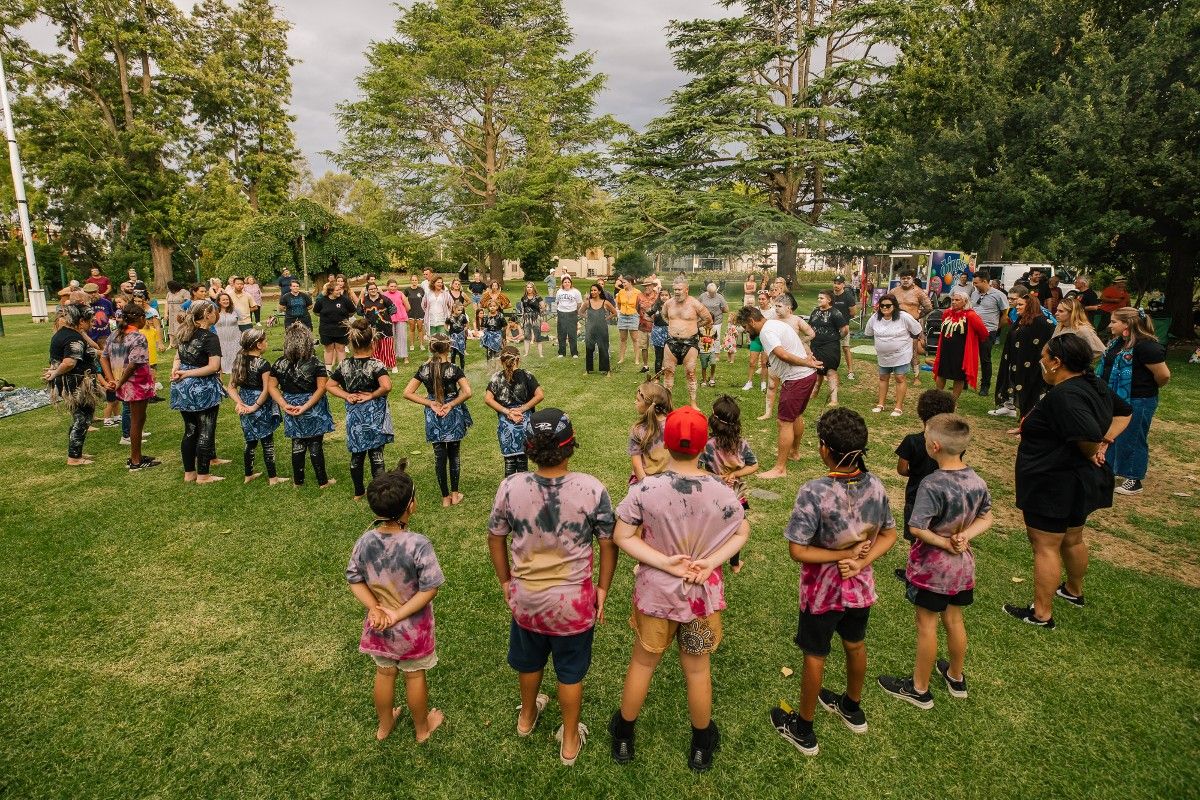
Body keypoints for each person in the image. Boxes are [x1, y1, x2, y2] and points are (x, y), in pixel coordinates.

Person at [610, 407, 750, 772]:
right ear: (705, 443)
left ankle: (624, 734)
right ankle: (701, 742)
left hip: (656, 595)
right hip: (702, 598)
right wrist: (711, 561)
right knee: (697, 669)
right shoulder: (723, 491)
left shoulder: (646, 489)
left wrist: (663, 562)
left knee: (643, 662)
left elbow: (621, 535)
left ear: (664, 441)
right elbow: (742, 531)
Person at [487, 408, 617, 766]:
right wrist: (602, 590)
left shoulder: (511, 486)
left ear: (528, 447)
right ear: (570, 446)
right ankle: (570, 740)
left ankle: (526, 718)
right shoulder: (592, 489)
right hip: (574, 604)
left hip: (526, 600)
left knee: (529, 663)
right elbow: (608, 542)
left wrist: (506, 582)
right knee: (570, 672)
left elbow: (495, 538)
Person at [771, 408, 897, 756]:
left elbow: (798, 550)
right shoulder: (875, 486)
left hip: (821, 593)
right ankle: (852, 708)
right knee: (855, 644)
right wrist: (861, 561)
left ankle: (804, 729)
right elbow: (889, 534)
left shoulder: (814, 492)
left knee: (815, 653)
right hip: (859, 587)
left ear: (824, 448)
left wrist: (841, 557)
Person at [1004, 333, 1132, 628]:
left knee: (1045, 545)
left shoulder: (1065, 395)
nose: (1040, 362)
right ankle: (1073, 590)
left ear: (1056, 362)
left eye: (1044, 357)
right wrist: (1106, 441)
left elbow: (1086, 433)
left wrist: (1093, 447)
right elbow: (1125, 411)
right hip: (1078, 480)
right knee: (1073, 538)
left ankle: (1041, 613)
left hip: (1054, 480)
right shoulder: (1093, 384)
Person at [877, 413, 993, 709]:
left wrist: (945, 541)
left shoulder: (932, 484)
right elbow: (987, 517)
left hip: (933, 569)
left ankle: (919, 688)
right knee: (954, 619)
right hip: (962, 567)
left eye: (927, 437)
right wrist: (964, 537)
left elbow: (917, 527)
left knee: (926, 624)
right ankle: (955, 676)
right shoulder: (976, 480)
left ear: (935, 447)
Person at [346, 460, 446, 743]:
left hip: (379, 626)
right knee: (414, 676)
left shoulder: (365, 541)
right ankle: (422, 729)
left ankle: (384, 725)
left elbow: (354, 578)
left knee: (384, 673)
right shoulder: (418, 544)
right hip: (413, 629)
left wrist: (374, 608)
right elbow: (430, 588)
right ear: (411, 505)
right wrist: (399, 613)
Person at [735, 305, 821, 480]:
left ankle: (780, 468)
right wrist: (808, 358)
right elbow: (795, 343)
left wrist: (807, 362)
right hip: (806, 377)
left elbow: (782, 354)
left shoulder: (767, 332)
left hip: (797, 378)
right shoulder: (777, 324)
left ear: (751, 321)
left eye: (745, 327)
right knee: (796, 415)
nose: (746, 330)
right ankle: (794, 453)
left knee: (784, 422)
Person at [1099, 307, 1170, 496]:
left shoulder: (1147, 347)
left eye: (1114, 321)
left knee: (1133, 436)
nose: (1109, 325)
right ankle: (1110, 470)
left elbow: (1163, 375)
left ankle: (1134, 477)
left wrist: (1145, 388)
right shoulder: (1117, 343)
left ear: (1127, 324)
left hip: (1139, 399)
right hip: (1115, 398)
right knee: (1112, 433)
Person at [894, 389, 958, 581]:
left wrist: (915, 473)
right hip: (944, 495)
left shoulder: (912, 441)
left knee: (917, 536)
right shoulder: (953, 443)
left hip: (917, 495)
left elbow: (902, 469)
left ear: (921, 412)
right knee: (938, 531)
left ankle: (915, 570)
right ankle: (936, 568)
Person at [402, 334, 473, 507]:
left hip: (433, 414)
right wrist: (451, 404)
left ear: (432, 348)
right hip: (451, 413)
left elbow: (407, 392)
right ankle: (455, 495)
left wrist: (430, 403)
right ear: (448, 348)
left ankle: (445, 498)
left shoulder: (424, 369)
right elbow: (467, 392)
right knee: (454, 454)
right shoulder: (454, 369)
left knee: (439, 455)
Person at [327, 320, 395, 499]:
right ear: (372, 343)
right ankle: (379, 493)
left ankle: (358, 492)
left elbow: (330, 385)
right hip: (374, 414)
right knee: (376, 454)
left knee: (357, 455)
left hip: (354, 415)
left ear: (352, 343)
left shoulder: (344, 365)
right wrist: (372, 395)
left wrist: (346, 395)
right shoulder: (376, 365)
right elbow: (387, 386)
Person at [268, 322, 337, 489]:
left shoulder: (279, 363)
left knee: (297, 443)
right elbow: (321, 387)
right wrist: (306, 406)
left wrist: (284, 404)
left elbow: (271, 386)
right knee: (315, 443)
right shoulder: (315, 362)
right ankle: (323, 481)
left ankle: (298, 481)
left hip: (291, 404)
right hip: (313, 405)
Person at [698, 395, 759, 573]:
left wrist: (716, 477)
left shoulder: (707, 445)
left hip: (711, 495)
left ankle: (707, 557)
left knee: (709, 526)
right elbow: (754, 465)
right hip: (736, 495)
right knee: (737, 528)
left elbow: (697, 469)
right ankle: (735, 563)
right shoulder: (741, 444)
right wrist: (736, 473)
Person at [170, 301, 227, 484]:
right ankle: (203, 475)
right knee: (205, 429)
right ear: (207, 315)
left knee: (190, 429)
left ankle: (189, 473)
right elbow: (214, 366)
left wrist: (177, 370)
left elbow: (177, 356)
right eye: (214, 312)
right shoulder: (209, 337)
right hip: (202, 387)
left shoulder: (184, 332)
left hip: (183, 387)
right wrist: (186, 372)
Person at [45, 304, 106, 466]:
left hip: (71, 382)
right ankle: (74, 457)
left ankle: (76, 452)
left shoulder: (65, 334)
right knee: (82, 419)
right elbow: (69, 362)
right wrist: (56, 372)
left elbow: (90, 350)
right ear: (80, 321)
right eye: (90, 321)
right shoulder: (73, 338)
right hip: (76, 383)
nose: (92, 323)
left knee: (80, 418)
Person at [101, 303, 159, 471]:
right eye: (144, 318)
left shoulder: (114, 335)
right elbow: (134, 364)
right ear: (140, 319)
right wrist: (119, 381)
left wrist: (113, 380)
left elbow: (103, 358)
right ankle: (136, 460)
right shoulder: (138, 337)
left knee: (136, 419)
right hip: (136, 384)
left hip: (122, 383)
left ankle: (137, 456)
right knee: (137, 421)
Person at [225, 328, 286, 485]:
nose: (267, 343)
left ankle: (248, 475)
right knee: (267, 441)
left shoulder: (239, 360)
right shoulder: (263, 364)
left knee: (250, 440)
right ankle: (273, 478)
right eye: (265, 341)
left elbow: (231, 387)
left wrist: (240, 403)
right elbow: (267, 389)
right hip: (260, 404)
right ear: (258, 345)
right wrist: (255, 406)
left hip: (245, 402)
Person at [484, 347, 545, 476]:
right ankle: (522, 492)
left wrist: (507, 411)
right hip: (524, 422)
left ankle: (509, 493)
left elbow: (488, 399)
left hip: (506, 423)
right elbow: (540, 395)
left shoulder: (496, 377)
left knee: (509, 462)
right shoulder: (527, 375)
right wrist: (522, 408)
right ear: (518, 360)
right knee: (523, 462)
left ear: (502, 361)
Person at [1005, 291, 1056, 430]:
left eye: (1021, 304)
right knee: (1023, 395)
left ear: (1030, 306)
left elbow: (1051, 342)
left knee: (1032, 395)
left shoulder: (1043, 322)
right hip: (1019, 364)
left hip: (1034, 367)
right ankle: (1024, 423)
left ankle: (1028, 426)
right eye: (1017, 304)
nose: (1017, 307)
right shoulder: (1020, 320)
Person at [864, 294, 921, 416]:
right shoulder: (875, 318)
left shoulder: (904, 317)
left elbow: (917, 330)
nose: (885, 308)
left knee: (899, 377)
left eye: (888, 305)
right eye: (882, 305)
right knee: (883, 377)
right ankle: (880, 404)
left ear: (894, 306)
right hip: (883, 356)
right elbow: (868, 332)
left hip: (901, 354)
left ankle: (898, 406)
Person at [661, 277, 713, 408]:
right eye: (675, 289)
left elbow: (708, 318)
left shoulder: (695, 304)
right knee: (668, 372)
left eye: (680, 289)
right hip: (671, 342)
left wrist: (695, 325)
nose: (677, 292)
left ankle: (693, 403)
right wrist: (673, 325)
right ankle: (668, 403)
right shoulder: (668, 303)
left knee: (690, 373)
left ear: (686, 290)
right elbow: (664, 315)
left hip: (689, 344)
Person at [931, 290, 989, 407]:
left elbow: (983, 332)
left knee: (959, 376)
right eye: (953, 299)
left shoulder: (971, 315)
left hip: (962, 352)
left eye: (957, 300)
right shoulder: (947, 313)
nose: (953, 302)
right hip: (945, 349)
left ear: (965, 302)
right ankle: (939, 397)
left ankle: (953, 401)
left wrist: (973, 342)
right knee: (941, 373)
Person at [968, 273, 1010, 396]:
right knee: (968, 356)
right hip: (972, 330)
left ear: (985, 281)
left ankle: (985, 386)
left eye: (976, 283)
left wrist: (996, 329)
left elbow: (1005, 315)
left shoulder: (998, 295)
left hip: (988, 331)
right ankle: (964, 381)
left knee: (985, 358)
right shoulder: (975, 293)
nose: (974, 285)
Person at [808, 290, 849, 406]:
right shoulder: (815, 312)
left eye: (822, 298)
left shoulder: (835, 313)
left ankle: (834, 399)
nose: (819, 300)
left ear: (829, 300)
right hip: (815, 345)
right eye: (818, 298)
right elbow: (810, 327)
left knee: (830, 371)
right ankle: (813, 393)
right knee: (817, 371)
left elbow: (845, 329)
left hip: (830, 346)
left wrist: (835, 338)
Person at [627, 380, 672, 484]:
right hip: (670, 483)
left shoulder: (638, 430)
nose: (635, 402)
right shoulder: (674, 424)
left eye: (637, 400)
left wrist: (646, 488)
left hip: (646, 483)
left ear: (648, 405)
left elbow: (637, 465)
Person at [892, 269, 933, 381]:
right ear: (900, 279)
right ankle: (897, 372)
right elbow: (886, 304)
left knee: (913, 351)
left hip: (912, 326)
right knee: (895, 349)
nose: (905, 280)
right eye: (903, 278)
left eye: (908, 278)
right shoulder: (894, 291)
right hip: (896, 325)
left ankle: (916, 377)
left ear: (913, 279)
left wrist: (916, 316)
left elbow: (929, 307)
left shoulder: (919, 292)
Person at [313, 280, 355, 368]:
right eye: (337, 290)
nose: (339, 291)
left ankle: (342, 370)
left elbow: (352, 311)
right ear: (331, 291)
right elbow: (316, 312)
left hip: (342, 329)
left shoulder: (345, 300)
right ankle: (328, 371)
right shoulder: (321, 300)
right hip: (326, 330)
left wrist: (343, 318)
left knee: (341, 349)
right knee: (329, 349)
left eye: (340, 289)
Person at [359, 281, 398, 373]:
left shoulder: (384, 299)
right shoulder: (363, 300)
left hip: (385, 327)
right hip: (371, 328)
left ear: (377, 289)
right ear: (367, 290)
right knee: (374, 348)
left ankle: (392, 365)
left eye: (374, 288)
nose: (373, 290)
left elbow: (393, 310)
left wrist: (384, 314)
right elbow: (359, 311)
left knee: (387, 347)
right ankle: (376, 367)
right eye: (370, 289)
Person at [1052, 296, 1105, 361]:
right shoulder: (1060, 325)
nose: (1056, 313)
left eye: (1061, 311)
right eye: (1057, 310)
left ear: (1072, 313)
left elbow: (1100, 351)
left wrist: (1078, 362)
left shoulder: (1083, 330)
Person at [742, 291, 776, 392]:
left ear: (768, 300)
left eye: (763, 299)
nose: (761, 301)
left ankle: (763, 383)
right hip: (756, 338)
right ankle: (749, 382)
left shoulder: (773, 312)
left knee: (764, 363)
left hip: (767, 339)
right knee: (752, 362)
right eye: (759, 299)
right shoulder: (755, 310)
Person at [828, 275, 859, 380]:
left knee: (845, 348)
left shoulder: (848, 296)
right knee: (830, 349)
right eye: (835, 283)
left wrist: (843, 321)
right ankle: (828, 370)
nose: (836, 285)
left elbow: (853, 312)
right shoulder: (830, 296)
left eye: (839, 283)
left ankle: (850, 371)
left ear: (843, 285)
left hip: (843, 327)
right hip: (830, 327)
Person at [583, 285, 617, 375]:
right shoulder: (587, 302)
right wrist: (587, 317)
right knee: (589, 348)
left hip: (602, 329)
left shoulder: (605, 303)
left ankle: (607, 370)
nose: (593, 292)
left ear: (599, 291)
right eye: (591, 290)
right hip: (590, 329)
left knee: (604, 349)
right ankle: (588, 370)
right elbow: (580, 312)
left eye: (595, 290)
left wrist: (606, 319)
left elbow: (615, 313)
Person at [555, 276, 583, 358]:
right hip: (561, 313)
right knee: (561, 334)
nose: (567, 284)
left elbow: (579, 303)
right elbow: (557, 302)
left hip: (572, 313)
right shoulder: (559, 292)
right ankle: (561, 353)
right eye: (565, 282)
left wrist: (575, 310)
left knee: (572, 334)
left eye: (568, 282)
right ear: (562, 284)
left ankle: (574, 353)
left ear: (571, 283)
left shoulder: (576, 292)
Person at [213, 293, 241, 374]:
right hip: (220, 337)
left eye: (227, 299)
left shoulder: (235, 311)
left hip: (234, 337)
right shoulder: (215, 312)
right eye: (223, 300)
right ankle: (221, 368)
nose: (226, 301)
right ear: (219, 301)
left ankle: (234, 367)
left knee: (234, 352)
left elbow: (242, 322)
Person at [636, 279, 658, 373]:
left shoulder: (658, 296)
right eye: (645, 286)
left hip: (655, 326)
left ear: (653, 286)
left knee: (657, 347)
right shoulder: (639, 296)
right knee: (644, 346)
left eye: (649, 285)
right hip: (643, 326)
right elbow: (637, 308)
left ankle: (659, 365)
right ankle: (645, 366)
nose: (647, 287)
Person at [518, 283, 546, 358]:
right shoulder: (523, 298)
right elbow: (523, 309)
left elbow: (543, 307)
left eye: (531, 287)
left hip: (536, 317)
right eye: (528, 287)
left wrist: (539, 314)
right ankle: (526, 353)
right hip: (526, 317)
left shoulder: (538, 297)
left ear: (533, 288)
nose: (529, 288)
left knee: (538, 336)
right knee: (527, 336)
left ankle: (540, 354)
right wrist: (522, 318)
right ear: (526, 288)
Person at [698, 283, 729, 347]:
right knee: (703, 336)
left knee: (716, 338)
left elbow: (726, 309)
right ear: (707, 291)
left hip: (716, 321)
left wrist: (718, 311)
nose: (714, 294)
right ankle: (704, 351)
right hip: (704, 321)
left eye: (714, 292)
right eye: (711, 293)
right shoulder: (702, 296)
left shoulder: (719, 297)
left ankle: (716, 354)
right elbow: (697, 307)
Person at [403, 275, 426, 352]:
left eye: (415, 280)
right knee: (412, 329)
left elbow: (424, 301)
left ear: (417, 281)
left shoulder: (421, 290)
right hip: (411, 312)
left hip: (420, 312)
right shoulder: (407, 290)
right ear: (410, 281)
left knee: (420, 329)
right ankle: (412, 345)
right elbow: (403, 300)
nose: (414, 281)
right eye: (412, 280)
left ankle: (421, 345)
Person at [165, 280, 191, 346]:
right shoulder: (169, 293)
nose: (168, 288)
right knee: (171, 327)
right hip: (171, 313)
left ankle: (180, 342)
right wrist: (166, 313)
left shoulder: (184, 292)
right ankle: (171, 343)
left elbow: (188, 301)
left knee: (180, 326)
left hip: (180, 312)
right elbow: (167, 303)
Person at [447, 302, 470, 369]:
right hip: (453, 338)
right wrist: (448, 330)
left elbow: (467, 324)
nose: (460, 312)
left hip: (461, 338)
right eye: (458, 310)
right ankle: (453, 368)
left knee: (461, 354)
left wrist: (464, 329)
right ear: (454, 309)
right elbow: (446, 324)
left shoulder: (463, 317)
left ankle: (462, 368)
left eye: (461, 310)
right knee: (453, 353)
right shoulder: (450, 317)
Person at [697, 320, 718, 389]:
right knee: (704, 367)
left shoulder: (714, 329)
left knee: (713, 363)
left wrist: (711, 339)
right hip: (703, 351)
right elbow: (696, 338)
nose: (710, 323)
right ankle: (704, 381)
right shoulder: (700, 329)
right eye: (708, 321)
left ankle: (712, 378)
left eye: (712, 321)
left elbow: (716, 337)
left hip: (711, 350)